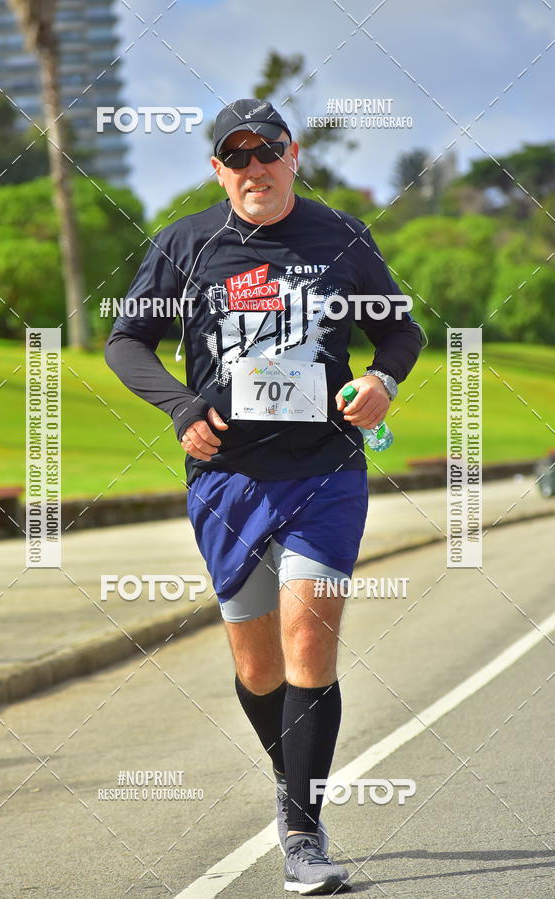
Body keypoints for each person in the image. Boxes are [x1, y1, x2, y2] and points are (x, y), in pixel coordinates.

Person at [105, 98, 423, 895]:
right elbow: (125, 342)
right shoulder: (186, 243)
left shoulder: (341, 235)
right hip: (227, 480)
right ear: (218, 169)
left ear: (291, 155)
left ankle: (303, 830)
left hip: (324, 469)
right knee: (257, 665)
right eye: (236, 158)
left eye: (267, 153)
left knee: (309, 641)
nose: (254, 170)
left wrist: (382, 379)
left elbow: (400, 330)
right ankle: (294, 779)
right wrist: (182, 407)